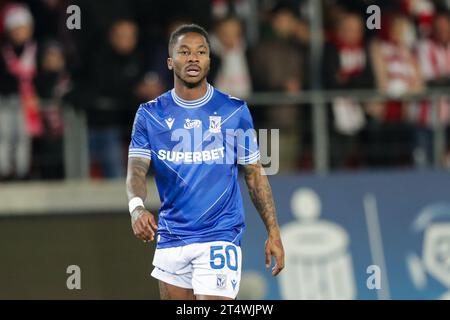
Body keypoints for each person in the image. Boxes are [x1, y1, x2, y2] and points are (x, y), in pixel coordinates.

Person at [125, 24, 284, 300]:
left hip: (219, 234)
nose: (193, 58)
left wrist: (273, 230)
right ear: (170, 61)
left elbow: (255, 174)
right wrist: (137, 209)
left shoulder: (233, 111)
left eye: (201, 52)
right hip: (172, 236)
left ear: (210, 60)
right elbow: (136, 172)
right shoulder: (149, 115)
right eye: (184, 52)